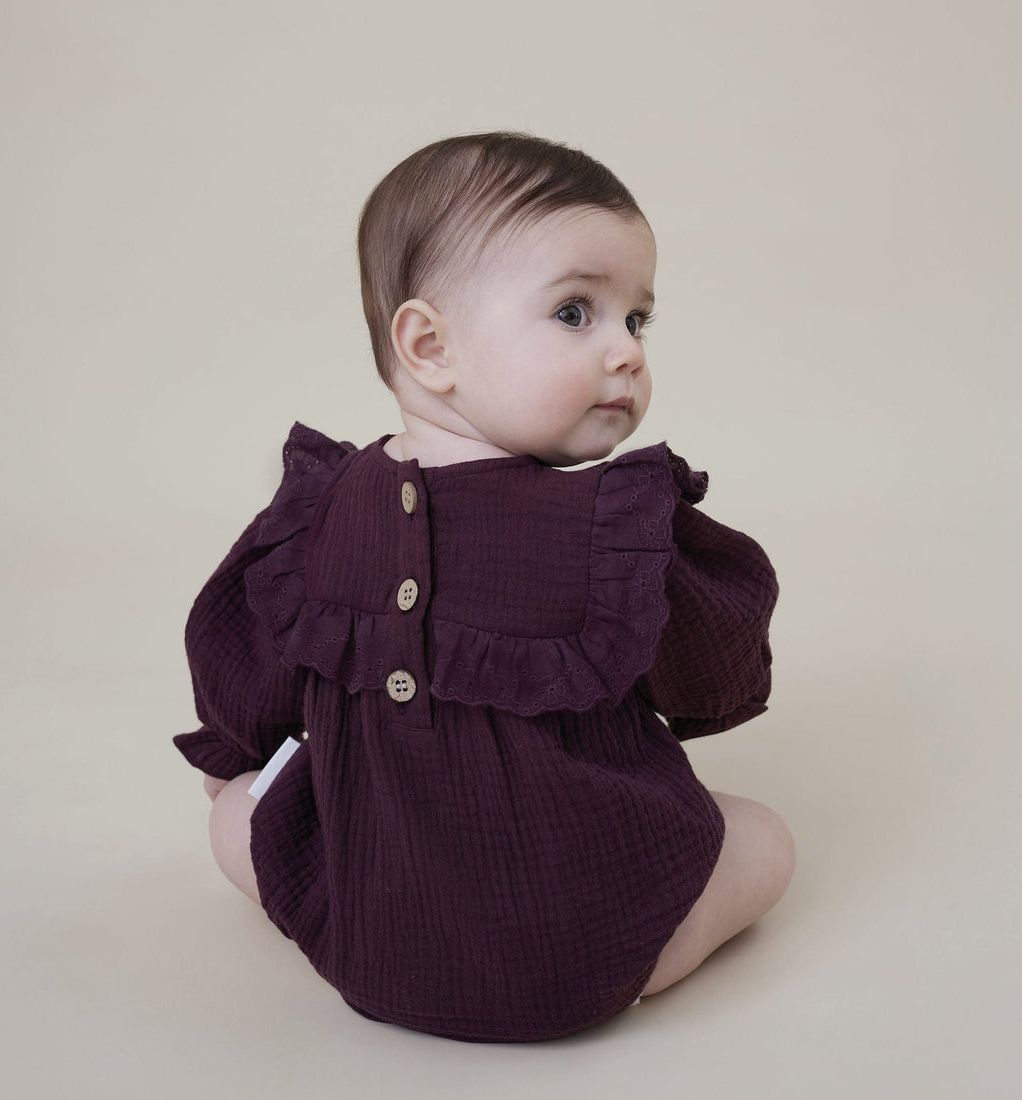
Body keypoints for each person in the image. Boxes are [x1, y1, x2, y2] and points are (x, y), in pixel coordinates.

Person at [174, 132, 795, 1043]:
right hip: (587, 961)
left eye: (638, 320)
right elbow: (714, 669)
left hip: (365, 943)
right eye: (578, 312)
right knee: (762, 839)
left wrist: (238, 754)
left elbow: (238, 661)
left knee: (239, 811)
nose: (624, 351)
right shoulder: (613, 531)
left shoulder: (321, 512)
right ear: (431, 345)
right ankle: (638, 961)